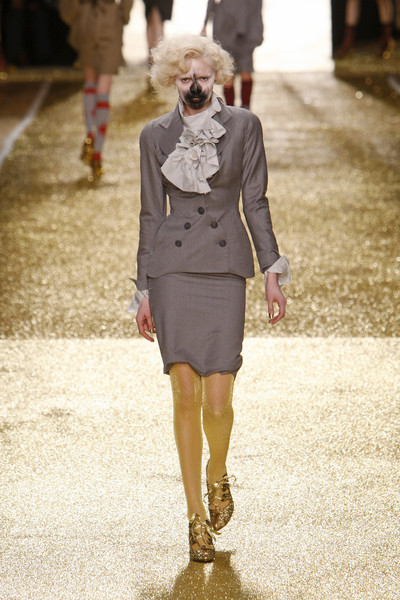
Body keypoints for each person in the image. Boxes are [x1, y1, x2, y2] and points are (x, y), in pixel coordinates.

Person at [130, 34, 290, 562]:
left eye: (202, 77)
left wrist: (271, 269)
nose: (194, 86)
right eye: (184, 78)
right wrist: (144, 289)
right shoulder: (155, 136)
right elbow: (150, 214)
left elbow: (255, 202)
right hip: (172, 270)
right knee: (184, 393)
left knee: (219, 399)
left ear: (217, 76)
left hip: (223, 269)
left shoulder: (244, 126)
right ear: (171, 81)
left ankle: (217, 473)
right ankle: (195, 517)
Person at [59, 0, 133, 179]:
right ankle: (97, 153)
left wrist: (75, 12)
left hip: (86, 18)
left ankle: (89, 136)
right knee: (102, 90)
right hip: (109, 19)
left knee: (91, 83)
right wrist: (123, 13)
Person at [201, 0, 263, 110]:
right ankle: (234, 110)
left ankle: (243, 109)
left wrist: (258, 30)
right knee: (230, 73)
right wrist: (205, 23)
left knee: (242, 72)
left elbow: (257, 6)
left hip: (241, 27)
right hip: (227, 26)